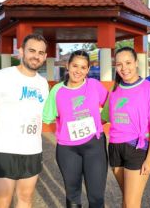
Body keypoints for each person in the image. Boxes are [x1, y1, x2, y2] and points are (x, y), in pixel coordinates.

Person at [0, 33, 49, 207]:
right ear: (21, 51)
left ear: (45, 56)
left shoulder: (43, 84)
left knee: (26, 198)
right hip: (4, 149)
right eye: (32, 50)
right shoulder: (2, 76)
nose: (36, 56)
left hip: (32, 150)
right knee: (2, 200)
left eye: (41, 52)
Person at [43, 50, 108, 208]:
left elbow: (110, 105)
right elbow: (46, 116)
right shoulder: (57, 91)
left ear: (87, 70)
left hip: (94, 146)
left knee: (96, 197)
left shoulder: (94, 85)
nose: (78, 71)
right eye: (75, 66)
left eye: (83, 67)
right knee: (72, 196)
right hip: (67, 149)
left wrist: (101, 121)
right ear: (67, 66)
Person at [101, 47, 150, 207]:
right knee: (126, 201)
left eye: (128, 63)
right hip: (114, 148)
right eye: (119, 64)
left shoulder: (149, 89)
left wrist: (149, 158)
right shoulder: (115, 90)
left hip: (137, 149)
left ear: (136, 63)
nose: (124, 68)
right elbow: (103, 119)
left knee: (131, 203)